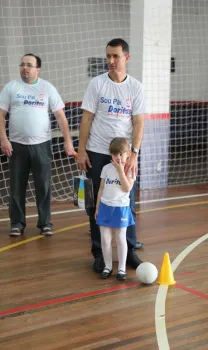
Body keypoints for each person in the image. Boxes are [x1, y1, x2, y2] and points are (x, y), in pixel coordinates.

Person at [77, 38, 146, 273]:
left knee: (128, 200)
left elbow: (138, 123)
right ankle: (99, 253)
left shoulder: (136, 87)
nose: (111, 61)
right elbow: (86, 119)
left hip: (125, 155)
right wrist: (81, 150)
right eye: (108, 56)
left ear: (126, 58)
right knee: (96, 201)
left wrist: (134, 153)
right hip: (97, 151)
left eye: (115, 56)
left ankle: (130, 250)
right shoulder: (96, 84)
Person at [0, 53, 74, 237]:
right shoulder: (11, 87)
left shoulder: (47, 88)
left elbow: (61, 117)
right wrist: (3, 139)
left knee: (44, 186)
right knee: (17, 187)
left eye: (29, 65)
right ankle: (17, 223)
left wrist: (68, 141)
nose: (25, 68)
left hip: (42, 146)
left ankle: (45, 223)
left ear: (37, 69)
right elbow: (0, 115)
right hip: (16, 145)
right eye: (22, 64)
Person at [96, 137, 135, 280]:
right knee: (105, 239)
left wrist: (120, 171)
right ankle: (107, 266)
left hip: (121, 209)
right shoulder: (106, 168)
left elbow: (126, 188)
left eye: (121, 154)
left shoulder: (130, 169)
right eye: (114, 154)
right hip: (106, 207)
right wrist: (97, 207)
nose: (118, 157)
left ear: (128, 155)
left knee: (120, 238)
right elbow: (101, 189)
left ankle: (121, 269)